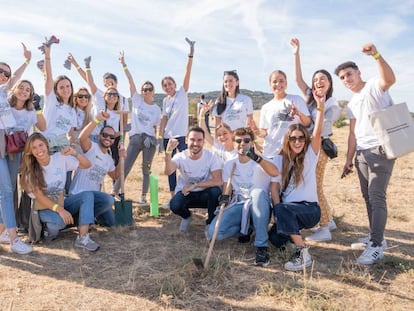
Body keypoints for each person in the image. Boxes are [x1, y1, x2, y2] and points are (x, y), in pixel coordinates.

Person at [335, 43, 396, 265]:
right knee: (367, 197)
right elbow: (352, 133)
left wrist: (377, 56)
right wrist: (348, 160)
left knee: (377, 196)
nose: (346, 79)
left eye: (349, 74)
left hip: (380, 150)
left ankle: (377, 245)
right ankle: (375, 236)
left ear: (358, 72)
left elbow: (389, 80)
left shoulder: (372, 87)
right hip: (361, 153)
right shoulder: (351, 102)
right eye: (342, 77)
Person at [290, 38, 342, 242]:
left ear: (330, 84)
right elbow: (298, 79)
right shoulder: (312, 97)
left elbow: (319, 132)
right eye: (316, 80)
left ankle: (324, 228)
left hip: (318, 148)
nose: (318, 83)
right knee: (316, 185)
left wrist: (303, 126)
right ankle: (329, 221)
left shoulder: (332, 105)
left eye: (323, 80)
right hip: (309, 146)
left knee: (315, 187)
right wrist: (296, 53)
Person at [205, 127, 279, 267]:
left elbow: (275, 172)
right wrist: (224, 198)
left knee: (257, 193)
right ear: (234, 143)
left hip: (259, 205)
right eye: (238, 140)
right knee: (214, 233)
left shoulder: (262, 160)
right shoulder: (230, 164)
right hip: (240, 204)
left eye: (246, 140)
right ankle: (246, 228)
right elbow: (227, 188)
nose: (242, 143)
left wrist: (256, 158)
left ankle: (261, 247)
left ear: (252, 143)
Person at [270, 88, 325, 271]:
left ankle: (303, 253)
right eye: (293, 138)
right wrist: (277, 211)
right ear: (288, 141)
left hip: (309, 210)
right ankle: (294, 239)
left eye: (301, 138)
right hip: (287, 211)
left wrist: (320, 108)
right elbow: (275, 188)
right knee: (275, 238)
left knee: (283, 209)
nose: (297, 141)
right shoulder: (280, 160)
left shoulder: (310, 156)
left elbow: (316, 133)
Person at [19, 133, 102, 251]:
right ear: (31, 151)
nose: (39, 150)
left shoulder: (59, 158)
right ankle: (48, 231)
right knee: (59, 221)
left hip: (61, 202)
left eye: (40, 145)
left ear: (47, 146)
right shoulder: (30, 171)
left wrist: (74, 153)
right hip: (44, 208)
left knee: (87, 196)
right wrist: (61, 211)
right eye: (34, 148)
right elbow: (40, 197)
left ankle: (82, 238)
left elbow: (87, 164)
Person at [113, 51, 161, 204]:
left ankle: (143, 197)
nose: (146, 91)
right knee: (125, 167)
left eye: (149, 89)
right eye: (144, 89)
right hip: (135, 139)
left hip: (149, 141)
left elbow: (156, 127)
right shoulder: (137, 100)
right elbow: (130, 80)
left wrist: (156, 141)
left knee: (146, 169)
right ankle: (114, 192)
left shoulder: (156, 109)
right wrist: (123, 64)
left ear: (153, 92)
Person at [0, 43, 34, 254]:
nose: (3, 75)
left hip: (11, 142)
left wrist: (27, 61)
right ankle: (13, 239)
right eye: (0, 71)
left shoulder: (3, 92)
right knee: (5, 191)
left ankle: (4, 231)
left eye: (6, 73)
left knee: (9, 189)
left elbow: (16, 80)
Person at [69, 111, 124, 227]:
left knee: (111, 222)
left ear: (114, 140)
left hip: (94, 198)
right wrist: (97, 119)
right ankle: (83, 219)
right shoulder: (91, 147)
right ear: (99, 136)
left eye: (112, 137)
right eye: (105, 135)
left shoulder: (109, 159)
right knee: (109, 200)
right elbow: (82, 137)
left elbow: (115, 175)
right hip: (78, 195)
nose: (108, 138)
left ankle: (88, 217)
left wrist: (121, 158)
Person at [164, 126, 222, 232]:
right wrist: (168, 152)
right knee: (174, 205)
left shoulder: (211, 156)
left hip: (205, 193)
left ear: (204, 142)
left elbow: (218, 181)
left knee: (216, 192)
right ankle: (186, 216)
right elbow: (168, 172)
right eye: (192, 140)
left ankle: (210, 223)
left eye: (199, 140)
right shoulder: (181, 156)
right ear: (186, 140)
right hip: (186, 193)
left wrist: (195, 185)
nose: (195, 143)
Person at [158, 38, 195, 197]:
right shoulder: (165, 100)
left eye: (170, 84)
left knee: (187, 164)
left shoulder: (182, 93)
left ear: (174, 84)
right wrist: (160, 138)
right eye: (165, 85)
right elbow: (164, 119)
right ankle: (173, 194)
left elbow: (187, 73)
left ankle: (189, 192)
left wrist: (190, 55)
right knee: (171, 166)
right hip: (168, 137)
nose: (168, 87)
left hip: (181, 136)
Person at [9, 80, 46, 231]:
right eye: (21, 88)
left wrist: (37, 108)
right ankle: (9, 222)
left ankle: (23, 222)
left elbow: (43, 127)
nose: (24, 91)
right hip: (7, 152)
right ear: (15, 89)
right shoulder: (7, 107)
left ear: (31, 94)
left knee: (26, 186)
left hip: (24, 152)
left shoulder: (30, 111)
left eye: (28, 90)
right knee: (10, 188)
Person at [257, 70, 311, 158]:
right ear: (270, 84)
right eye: (274, 81)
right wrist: (257, 132)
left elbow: (308, 123)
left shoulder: (296, 99)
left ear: (286, 83)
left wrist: (299, 114)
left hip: (292, 151)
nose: (278, 84)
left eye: (281, 81)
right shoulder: (266, 107)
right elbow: (265, 132)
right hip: (271, 152)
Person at [41, 43, 77, 153]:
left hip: (61, 149)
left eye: (68, 86)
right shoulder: (52, 101)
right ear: (56, 90)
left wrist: (71, 146)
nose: (66, 89)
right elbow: (49, 79)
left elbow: (70, 134)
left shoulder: (72, 111)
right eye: (61, 87)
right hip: (45, 146)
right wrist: (47, 56)